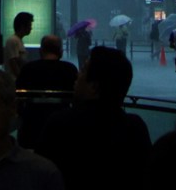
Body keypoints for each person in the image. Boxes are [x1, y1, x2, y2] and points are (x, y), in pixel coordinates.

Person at [37, 46, 151, 190]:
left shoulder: (60, 123)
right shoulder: (135, 128)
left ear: (94, 87)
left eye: (83, 70)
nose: (77, 76)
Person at [15, 34, 78, 149]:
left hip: (31, 124)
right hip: (62, 127)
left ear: (41, 50)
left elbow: (18, 96)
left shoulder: (29, 69)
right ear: (60, 51)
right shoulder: (69, 69)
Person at [4, 12, 33, 79]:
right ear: (22, 26)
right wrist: (21, 78)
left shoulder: (18, 40)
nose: (31, 28)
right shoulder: (13, 40)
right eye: (29, 25)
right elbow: (13, 62)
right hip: (14, 80)